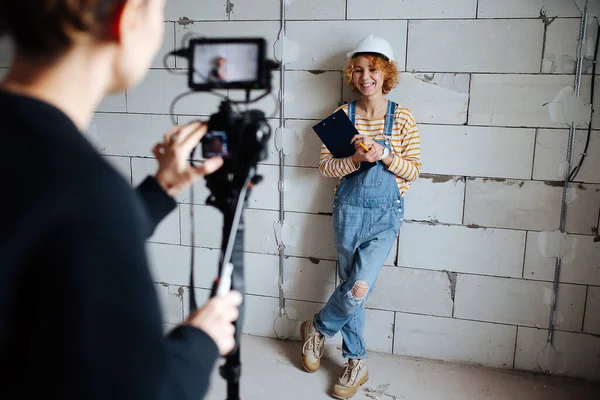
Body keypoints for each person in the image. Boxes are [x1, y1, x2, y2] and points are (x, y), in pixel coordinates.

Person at [0, 1, 242, 399]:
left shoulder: (46, 172)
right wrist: (201, 338)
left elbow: (39, 236)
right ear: (126, 18)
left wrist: (161, 187)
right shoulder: (87, 190)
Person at [300, 35, 422, 399]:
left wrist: (383, 155)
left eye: (372, 69)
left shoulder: (402, 118)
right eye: (358, 69)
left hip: (386, 217)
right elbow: (326, 168)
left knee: (357, 287)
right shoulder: (342, 117)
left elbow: (413, 171)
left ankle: (318, 329)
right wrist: (355, 159)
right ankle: (356, 361)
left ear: (386, 73)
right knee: (353, 289)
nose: (364, 76)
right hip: (349, 213)